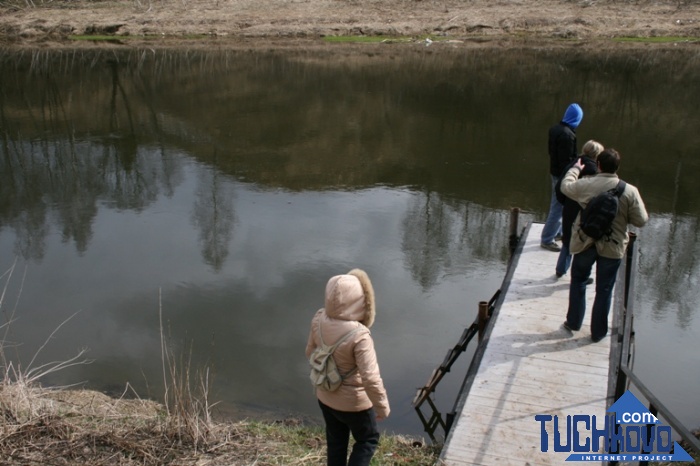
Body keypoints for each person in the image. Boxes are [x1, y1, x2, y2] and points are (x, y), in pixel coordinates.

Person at [560, 149, 648, 342]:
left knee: (579, 281)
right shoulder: (630, 190)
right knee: (604, 289)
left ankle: (573, 322)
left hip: (585, 242)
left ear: (598, 165)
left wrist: (575, 169)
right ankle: (598, 333)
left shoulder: (587, 184)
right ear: (618, 167)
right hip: (613, 246)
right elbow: (641, 220)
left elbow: (565, 187)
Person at [305, 269, 390, 466]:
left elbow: (310, 352)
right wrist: (382, 407)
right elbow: (370, 378)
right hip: (354, 405)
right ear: (360, 300)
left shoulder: (318, 318)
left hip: (325, 396)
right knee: (367, 440)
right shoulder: (360, 335)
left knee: (336, 442)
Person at [555, 139, 603, 278]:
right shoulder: (595, 171)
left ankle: (561, 268)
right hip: (584, 210)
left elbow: (560, 187)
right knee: (583, 242)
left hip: (570, 205)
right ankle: (580, 275)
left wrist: (565, 202)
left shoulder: (574, 164)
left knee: (568, 238)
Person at [541, 103, 584, 252]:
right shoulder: (568, 135)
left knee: (562, 205)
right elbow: (566, 160)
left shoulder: (555, 129)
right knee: (558, 207)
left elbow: (552, 153)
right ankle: (547, 239)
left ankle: (558, 232)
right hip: (562, 175)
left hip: (554, 171)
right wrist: (577, 166)